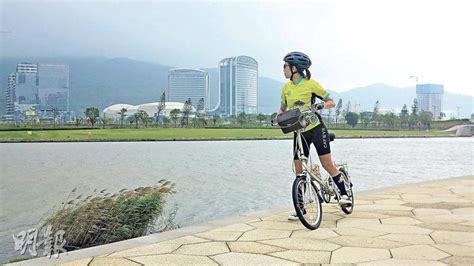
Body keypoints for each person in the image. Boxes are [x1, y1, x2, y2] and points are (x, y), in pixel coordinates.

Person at [274, 51, 350, 220]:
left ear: (295, 68)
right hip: (299, 133)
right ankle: (301, 208)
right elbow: (282, 109)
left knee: (327, 165)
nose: (283, 69)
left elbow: (331, 102)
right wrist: (276, 117)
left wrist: (320, 106)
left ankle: (344, 194)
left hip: (316, 129)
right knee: (299, 171)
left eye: (285, 66)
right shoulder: (286, 88)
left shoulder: (311, 85)